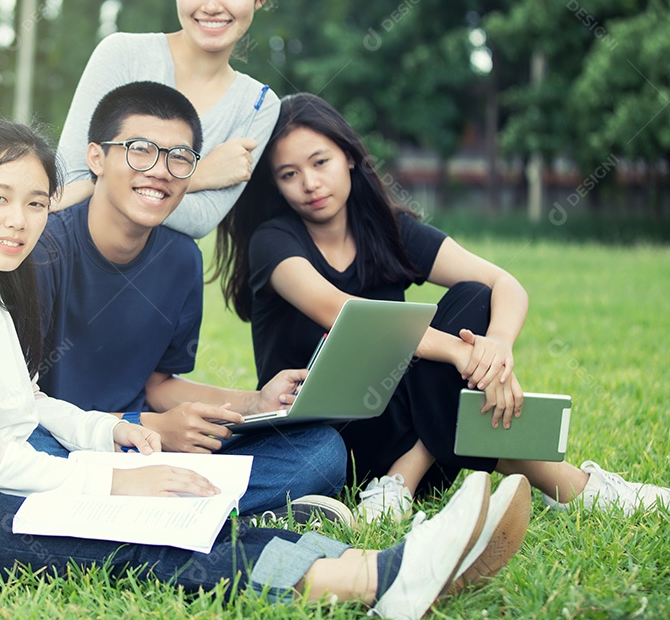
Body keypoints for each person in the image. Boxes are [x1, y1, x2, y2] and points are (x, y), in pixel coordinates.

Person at [0, 116, 530, 620]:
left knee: (176, 514)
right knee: (134, 537)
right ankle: (365, 580)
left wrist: (109, 434)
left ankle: (378, 565)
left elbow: (24, 407)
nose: (19, 221)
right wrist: (122, 481)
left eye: (34, 202)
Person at [212, 92, 670, 524]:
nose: (310, 184)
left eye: (320, 162)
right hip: (326, 441)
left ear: (349, 156)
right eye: (289, 174)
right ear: (275, 183)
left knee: (473, 296)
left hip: (403, 429)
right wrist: (457, 351)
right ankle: (580, 488)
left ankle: (400, 481)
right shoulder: (273, 241)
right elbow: (343, 312)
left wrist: (496, 347)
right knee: (456, 397)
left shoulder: (390, 230)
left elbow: (504, 283)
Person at [36, 81, 349, 525]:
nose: (160, 171)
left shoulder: (182, 259)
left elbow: (159, 385)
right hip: (59, 440)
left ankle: (155, 504)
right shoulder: (44, 250)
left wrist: (255, 402)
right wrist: (148, 427)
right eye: (140, 150)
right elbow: (14, 407)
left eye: (179, 158)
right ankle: (211, 509)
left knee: (320, 452)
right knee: (26, 445)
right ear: (96, 158)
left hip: (142, 447)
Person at [52, 0, 282, 239]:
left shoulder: (258, 104)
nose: (212, 5)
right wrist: (199, 175)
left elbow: (201, 220)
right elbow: (69, 184)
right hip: (77, 255)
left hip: (163, 274)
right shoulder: (123, 54)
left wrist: (114, 182)